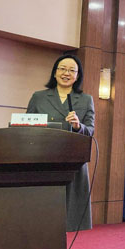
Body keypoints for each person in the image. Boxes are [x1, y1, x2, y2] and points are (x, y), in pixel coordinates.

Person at [27, 54, 94, 232]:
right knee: (42, 218)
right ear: (55, 72)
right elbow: (26, 126)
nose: (66, 73)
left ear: (77, 76)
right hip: (44, 159)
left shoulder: (86, 99)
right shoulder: (39, 97)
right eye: (63, 69)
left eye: (72, 70)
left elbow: (90, 130)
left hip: (72, 161)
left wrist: (78, 126)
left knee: (66, 218)